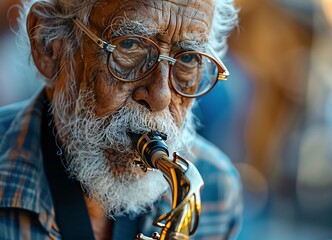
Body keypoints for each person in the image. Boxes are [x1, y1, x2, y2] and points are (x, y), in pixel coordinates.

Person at [0, 0, 242, 239]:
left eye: (188, 59)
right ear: (49, 46)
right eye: (130, 45)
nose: (161, 97)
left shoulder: (216, 189)